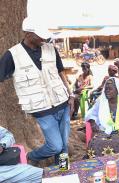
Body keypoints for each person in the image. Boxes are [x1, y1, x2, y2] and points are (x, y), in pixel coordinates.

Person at [0, 17, 73, 165]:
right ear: (28, 34)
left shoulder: (51, 49)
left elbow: (60, 72)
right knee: (55, 145)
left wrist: (70, 94)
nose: (43, 38)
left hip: (62, 102)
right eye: (39, 36)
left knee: (64, 143)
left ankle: (63, 170)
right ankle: (32, 157)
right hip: (41, 109)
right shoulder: (12, 55)